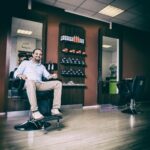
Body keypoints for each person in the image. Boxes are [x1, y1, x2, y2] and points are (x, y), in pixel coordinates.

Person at [14, 48, 62, 120]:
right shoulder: (25, 63)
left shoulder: (42, 67)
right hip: (28, 83)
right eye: (36, 54)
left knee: (58, 83)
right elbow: (16, 73)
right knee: (30, 81)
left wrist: (52, 76)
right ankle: (35, 111)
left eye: (40, 54)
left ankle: (55, 109)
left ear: (41, 56)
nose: (38, 55)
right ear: (33, 54)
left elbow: (47, 76)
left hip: (39, 84)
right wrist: (20, 75)